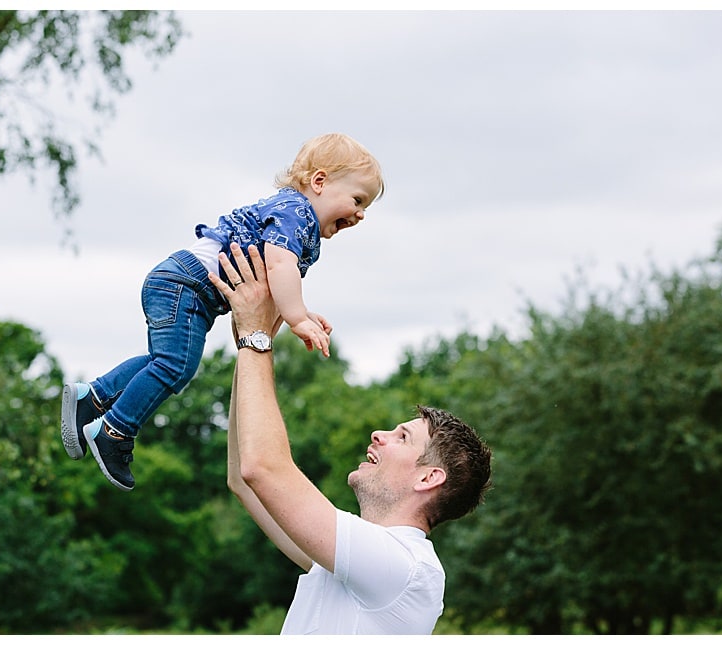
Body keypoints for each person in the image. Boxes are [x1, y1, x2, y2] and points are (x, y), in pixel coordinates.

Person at [61, 133, 385, 491]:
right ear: (319, 182)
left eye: (365, 207)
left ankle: (90, 398)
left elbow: (274, 286)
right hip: (185, 284)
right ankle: (114, 431)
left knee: (169, 363)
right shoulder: (295, 213)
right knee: (175, 366)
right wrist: (299, 318)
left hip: (185, 286)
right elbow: (279, 268)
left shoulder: (299, 226)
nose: (360, 214)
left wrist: (296, 314)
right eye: (357, 200)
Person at [208, 243, 493, 635]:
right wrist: (248, 339)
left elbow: (263, 470)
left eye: (402, 436)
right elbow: (244, 479)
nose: (379, 434)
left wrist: (256, 336)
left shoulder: (407, 568)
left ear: (428, 478)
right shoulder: (348, 565)